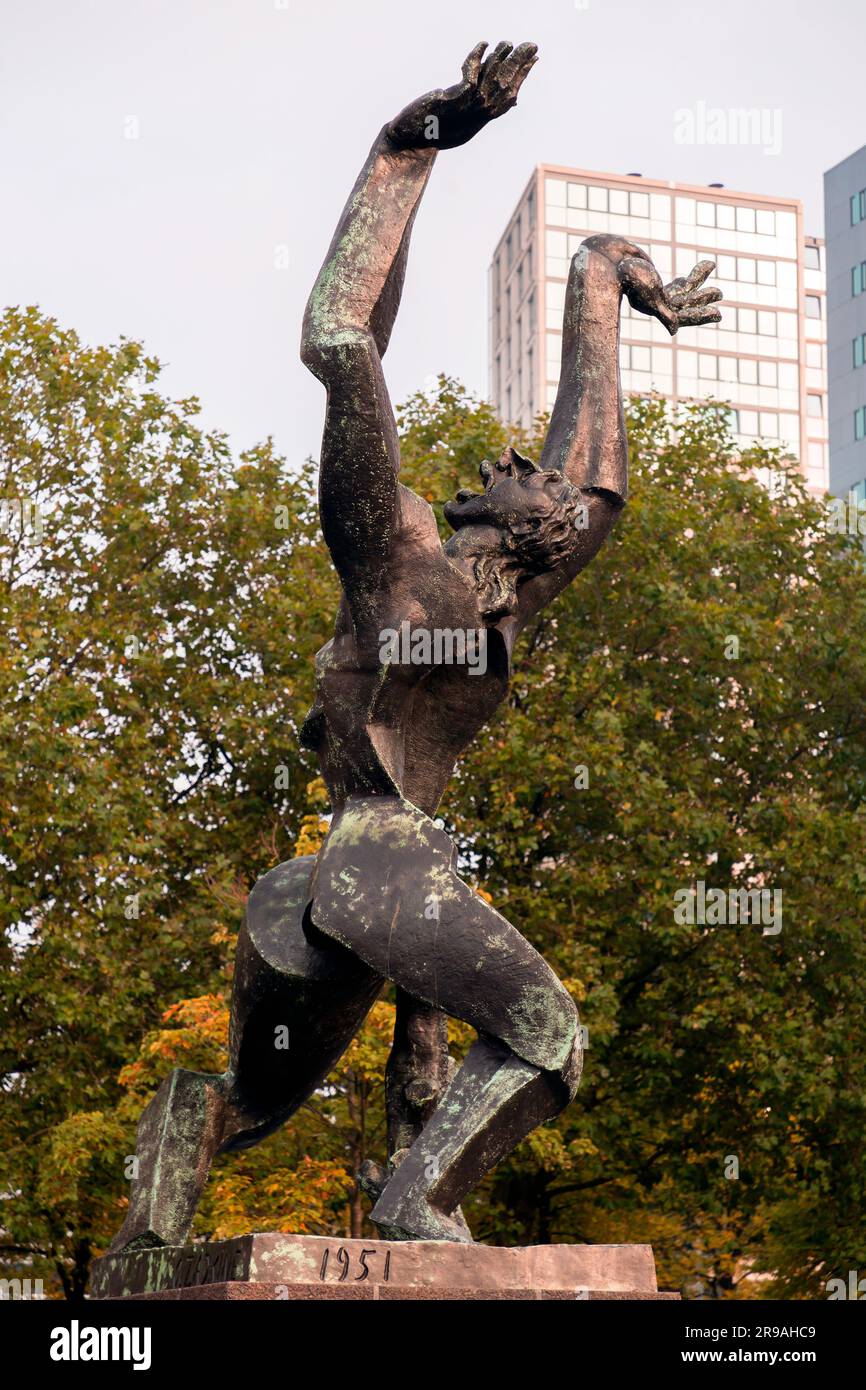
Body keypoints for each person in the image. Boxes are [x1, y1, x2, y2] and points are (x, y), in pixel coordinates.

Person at [109, 41, 721, 1252]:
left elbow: (599, 476)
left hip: (336, 889)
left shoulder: (502, 605)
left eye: (553, 495)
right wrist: (418, 140)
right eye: (534, 488)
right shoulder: (396, 556)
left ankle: (141, 1249)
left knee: (250, 1103)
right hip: (370, 874)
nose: (551, 490)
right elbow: (341, 339)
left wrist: (614, 280)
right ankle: (414, 1199)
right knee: (546, 1035)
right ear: (493, 516)